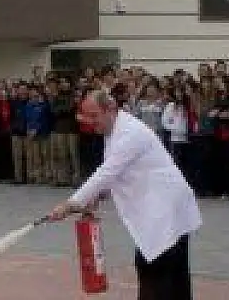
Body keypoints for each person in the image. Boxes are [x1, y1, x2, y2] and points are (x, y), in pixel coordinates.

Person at [49, 89, 202, 300]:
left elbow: (106, 172)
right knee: (169, 272)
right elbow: (114, 173)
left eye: (95, 116)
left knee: (157, 270)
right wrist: (97, 195)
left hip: (165, 209)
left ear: (110, 109)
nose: (91, 123)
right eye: (87, 117)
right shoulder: (114, 131)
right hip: (164, 209)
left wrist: (70, 204)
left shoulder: (131, 133)